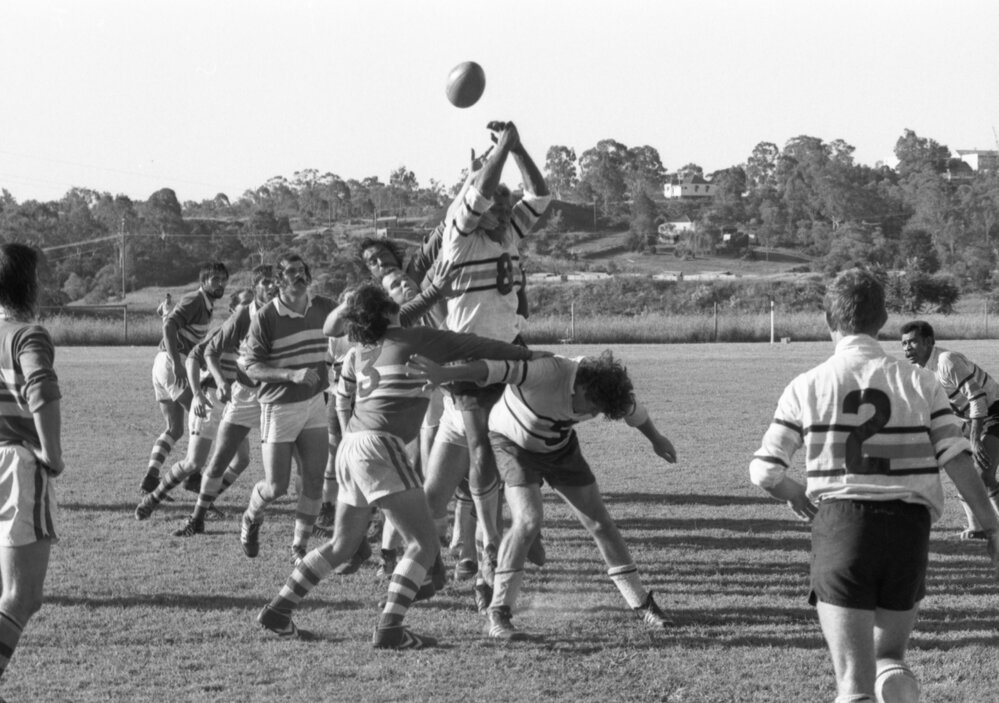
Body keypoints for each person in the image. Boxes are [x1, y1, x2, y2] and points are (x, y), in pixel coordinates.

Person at [749, 269, 999, 703]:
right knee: (889, 658)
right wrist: (992, 526)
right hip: (907, 529)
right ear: (882, 318)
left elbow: (764, 471)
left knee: (852, 683)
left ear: (828, 318)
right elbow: (957, 460)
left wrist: (795, 495)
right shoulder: (920, 381)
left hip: (841, 527)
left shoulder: (806, 386)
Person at [256, 282, 544, 649]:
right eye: (393, 301)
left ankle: (279, 610)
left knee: (342, 544)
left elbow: (335, 328)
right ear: (387, 310)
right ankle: (390, 627)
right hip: (380, 445)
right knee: (424, 544)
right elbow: (479, 347)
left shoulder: (360, 348)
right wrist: (531, 356)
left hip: (351, 447)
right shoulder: (416, 337)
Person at [407, 350, 676, 640]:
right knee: (528, 520)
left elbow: (634, 412)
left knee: (599, 522)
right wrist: (443, 374)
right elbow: (491, 368)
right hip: (512, 445)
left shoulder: (606, 389)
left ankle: (642, 604)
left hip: (558, 448)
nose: (594, 413)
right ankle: (498, 614)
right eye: (594, 407)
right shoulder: (547, 372)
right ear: (582, 387)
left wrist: (657, 439)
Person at [423, 120, 551, 604]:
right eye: (495, 199)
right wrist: (500, 148)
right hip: (469, 360)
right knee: (482, 453)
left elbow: (539, 196)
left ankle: (444, 556)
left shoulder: (506, 234)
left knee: (443, 487)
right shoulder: (460, 234)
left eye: (504, 200)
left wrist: (517, 149)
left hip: (508, 358)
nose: (503, 206)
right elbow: (478, 192)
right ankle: (484, 555)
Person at [238, 253, 336, 564]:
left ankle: (299, 548)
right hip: (279, 406)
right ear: (280, 280)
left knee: (314, 479)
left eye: (302, 270)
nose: (298, 276)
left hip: (314, 403)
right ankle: (251, 517)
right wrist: (290, 375)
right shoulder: (266, 316)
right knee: (276, 486)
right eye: (291, 272)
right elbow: (251, 367)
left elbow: (353, 327)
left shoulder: (323, 307)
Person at [0, 243, 64, 692]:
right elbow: (40, 385)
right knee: (23, 597)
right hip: (16, 464)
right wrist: (52, 453)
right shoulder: (27, 334)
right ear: (28, 282)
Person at [173, 266, 277, 537]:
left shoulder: (287, 311)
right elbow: (209, 351)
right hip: (243, 395)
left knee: (282, 471)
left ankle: (308, 521)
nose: (272, 286)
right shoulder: (245, 313)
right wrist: (219, 380)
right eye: (266, 282)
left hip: (277, 396)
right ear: (255, 286)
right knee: (218, 461)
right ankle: (197, 518)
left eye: (276, 281)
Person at [900, 320, 999, 539]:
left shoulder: (946, 361)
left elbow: (978, 398)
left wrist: (974, 439)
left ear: (928, 342)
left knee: (981, 473)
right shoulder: (918, 372)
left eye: (913, 342)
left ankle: (980, 528)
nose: (907, 348)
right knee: (971, 472)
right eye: (904, 343)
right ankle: (977, 529)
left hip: (993, 412)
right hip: (969, 420)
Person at [139, 262, 229, 495]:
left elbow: (170, 321)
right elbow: (169, 326)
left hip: (163, 364)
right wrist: (177, 363)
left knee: (175, 428)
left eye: (223, 279)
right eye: (215, 279)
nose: (220, 283)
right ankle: (194, 478)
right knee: (203, 417)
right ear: (203, 282)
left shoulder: (204, 304)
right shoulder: (195, 300)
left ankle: (151, 478)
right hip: (171, 363)